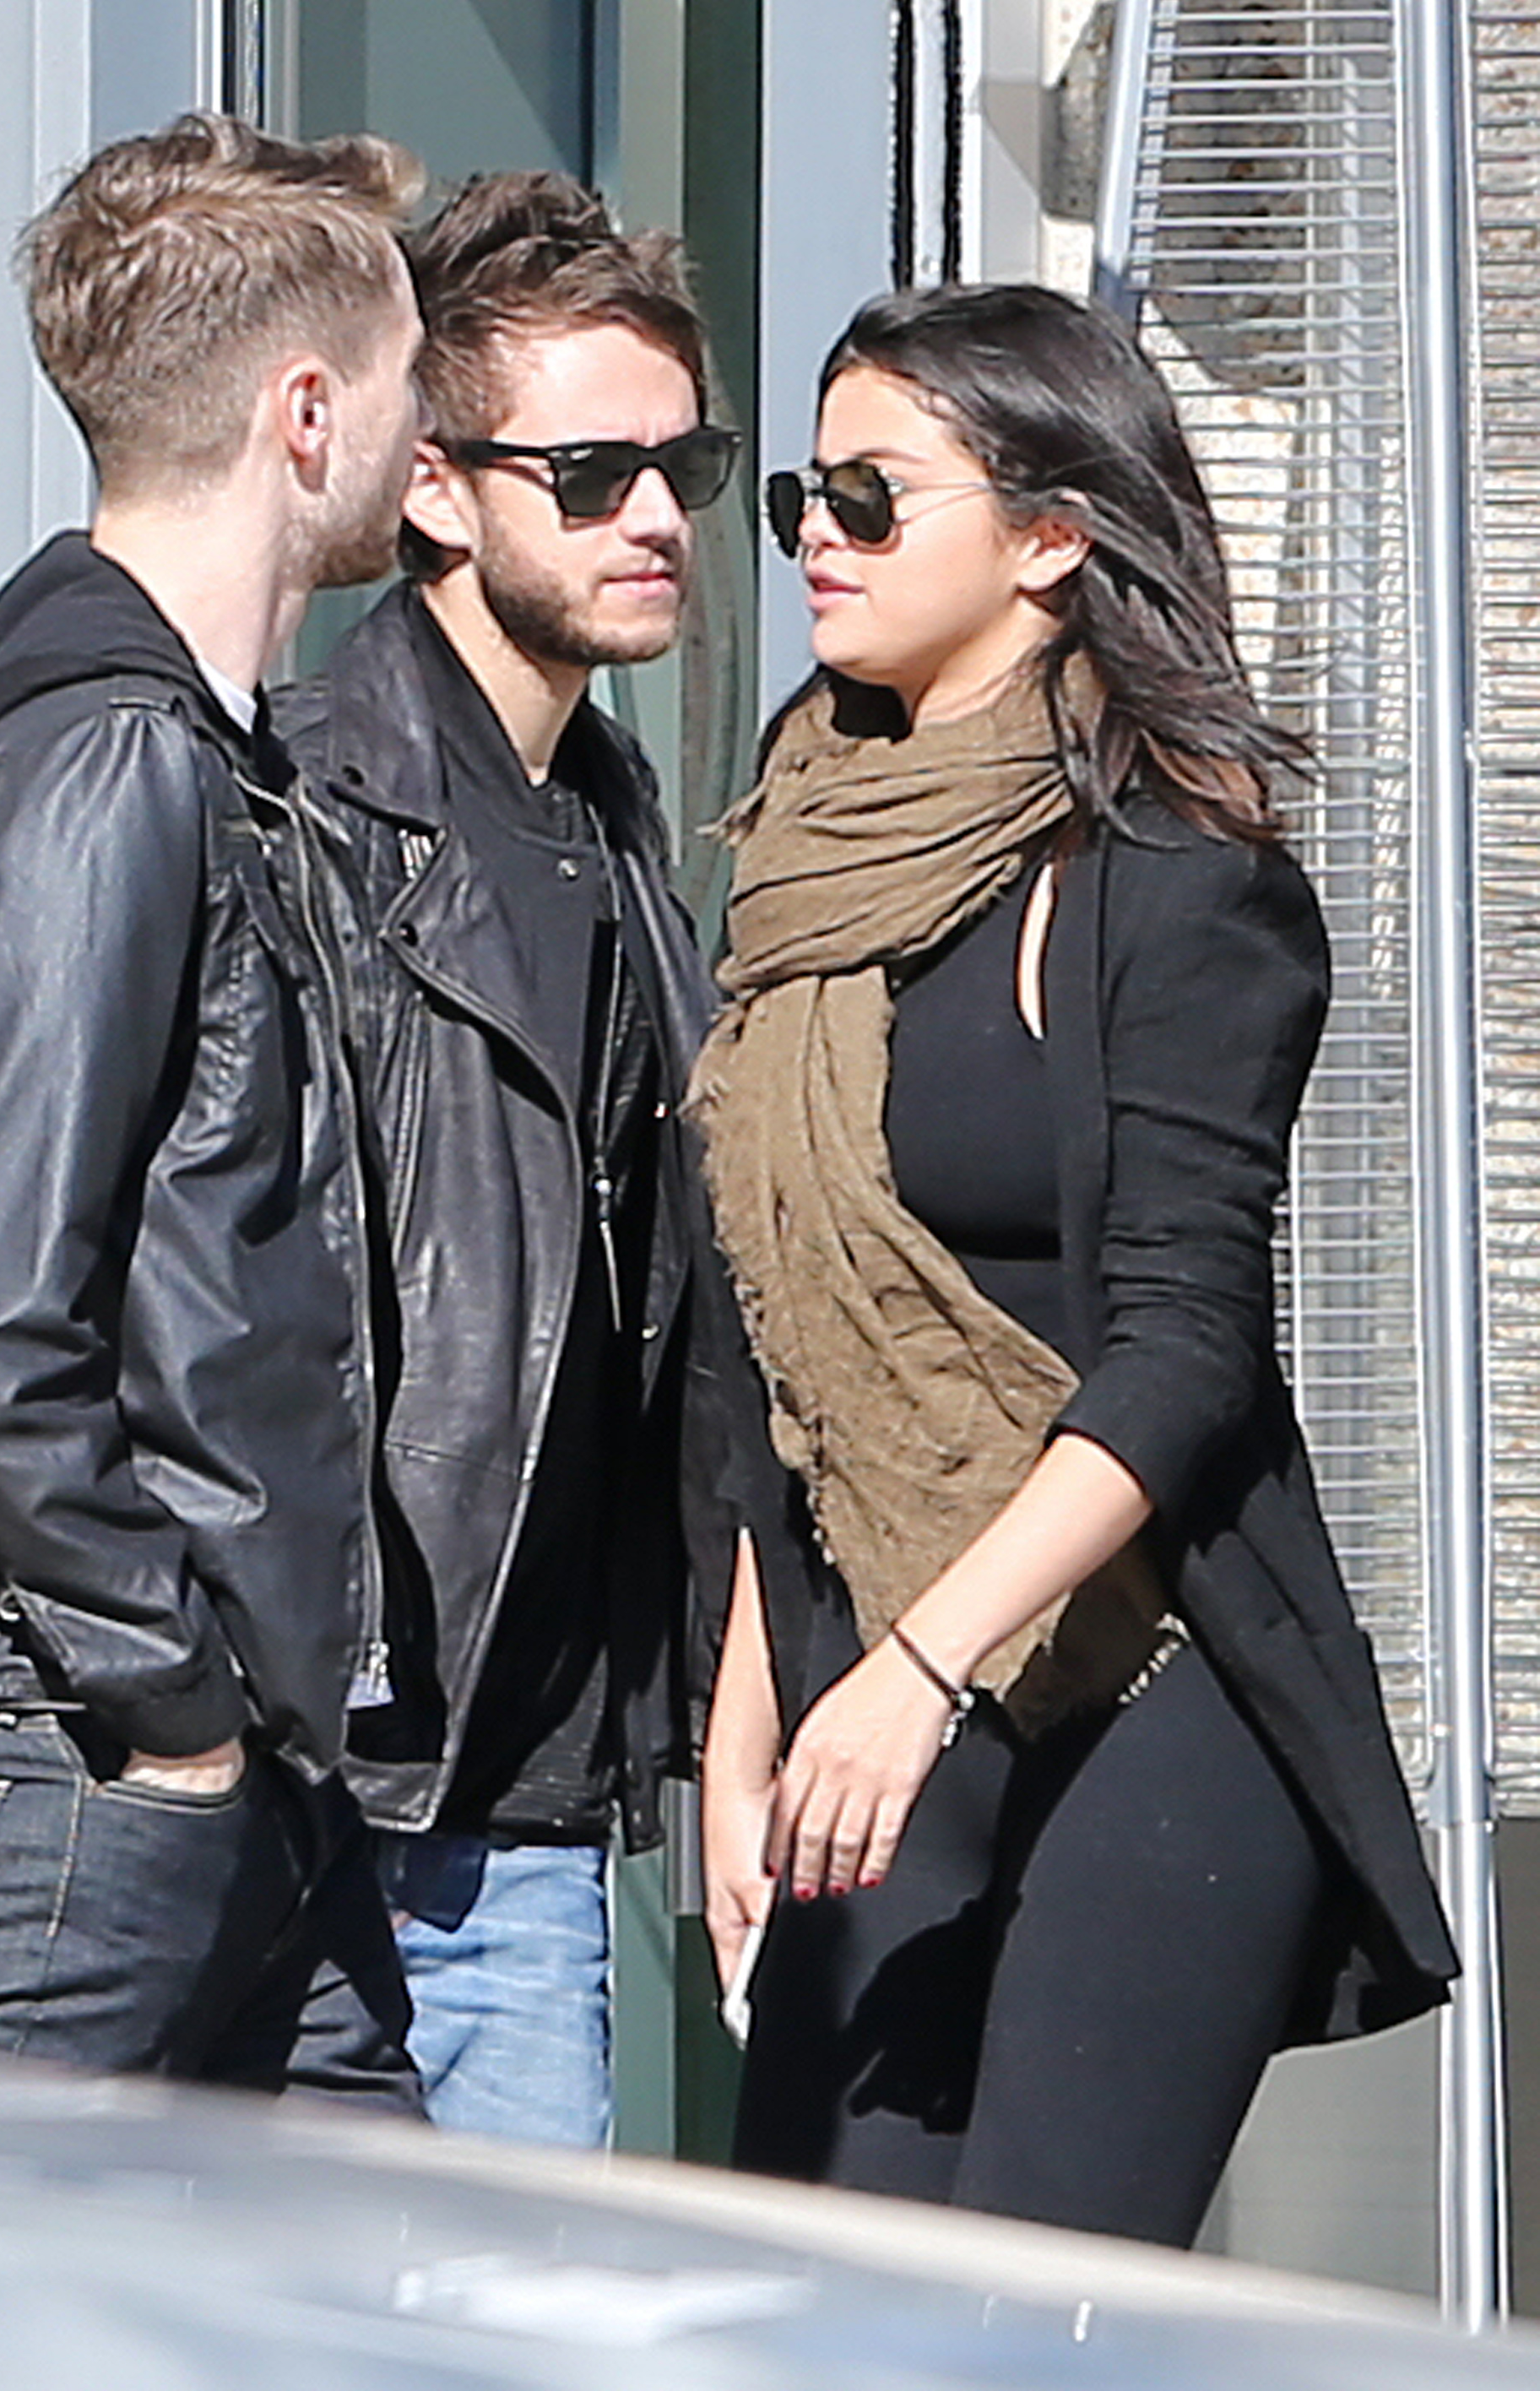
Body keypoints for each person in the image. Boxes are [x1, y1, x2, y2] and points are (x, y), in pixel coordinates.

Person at [694, 282, 1458, 2246]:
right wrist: (745, 1727)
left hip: (1147, 1676)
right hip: (872, 1677)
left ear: (1050, 537)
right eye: (802, 496)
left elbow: (1188, 1355)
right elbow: (791, 1349)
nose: (816, 539)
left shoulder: (1176, 881)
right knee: (822, 2298)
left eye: (873, 497)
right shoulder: (801, 858)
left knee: (1037, 2317)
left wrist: (918, 1669)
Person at [0, 112, 430, 2101]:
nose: (429, 432)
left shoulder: (203, 758)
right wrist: (165, 1697)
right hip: (73, 1775)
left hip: (235, 1780)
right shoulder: (102, 760)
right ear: (308, 413)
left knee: (376, 2269)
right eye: (409, 377)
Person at [273, 171, 758, 2146]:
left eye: (682, 466)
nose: (655, 518)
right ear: (438, 492)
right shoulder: (310, 814)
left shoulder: (622, 832)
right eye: (589, 473)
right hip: (334, 1783)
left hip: (536, 1808)